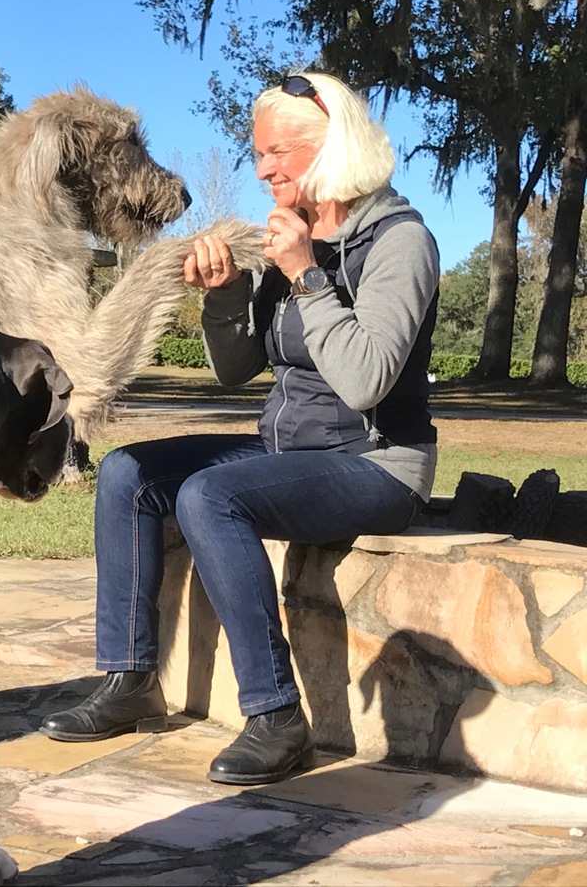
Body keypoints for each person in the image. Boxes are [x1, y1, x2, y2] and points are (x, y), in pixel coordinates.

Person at [39, 71, 440, 786]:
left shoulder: (400, 240)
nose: (264, 168)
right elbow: (236, 368)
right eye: (260, 153)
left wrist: (307, 276)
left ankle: (277, 716)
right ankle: (130, 680)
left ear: (336, 146)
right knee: (129, 472)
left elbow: (368, 378)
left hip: (378, 463)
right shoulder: (293, 235)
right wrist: (225, 295)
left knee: (210, 495)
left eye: (281, 151)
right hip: (289, 450)